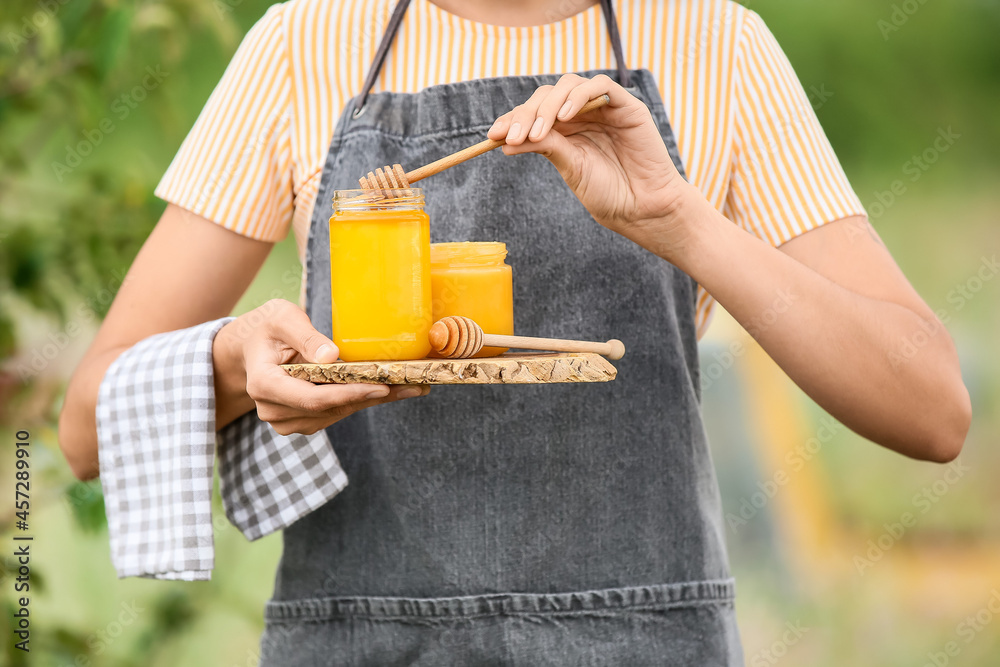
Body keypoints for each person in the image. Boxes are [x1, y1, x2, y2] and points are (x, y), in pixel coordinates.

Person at [58, 0, 970, 664]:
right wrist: (229, 360)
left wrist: (678, 220)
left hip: (643, 643)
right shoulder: (303, 44)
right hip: (366, 643)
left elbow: (930, 409)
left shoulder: (715, 42)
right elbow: (87, 424)